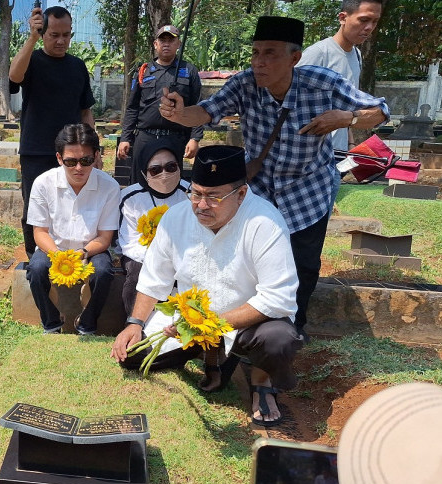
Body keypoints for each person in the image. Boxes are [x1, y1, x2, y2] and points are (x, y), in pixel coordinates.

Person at [159, 16, 390, 340]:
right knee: (250, 258)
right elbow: (207, 111)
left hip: (309, 189)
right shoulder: (243, 85)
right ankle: (246, 327)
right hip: (262, 188)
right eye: (255, 53)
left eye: (270, 53)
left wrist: (346, 117)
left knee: (303, 264)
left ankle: (292, 328)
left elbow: (380, 110)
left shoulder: (323, 83)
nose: (259, 62)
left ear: (294, 58)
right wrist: (179, 113)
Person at [111, 145, 302, 426]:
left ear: (241, 194)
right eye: (196, 193)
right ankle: (212, 354)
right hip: (190, 318)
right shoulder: (176, 217)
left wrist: (211, 324)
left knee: (278, 340)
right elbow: (154, 277)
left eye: (213, 197)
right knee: (133, 357)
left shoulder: (265, 223)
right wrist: (134, 323)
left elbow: (278, 298)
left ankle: (262, 380)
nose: (201, 205)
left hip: (248, 322)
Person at [9, 5, 96, 258]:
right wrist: (31, 38)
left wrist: (94, 149)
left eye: (66, 35)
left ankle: (69, 257)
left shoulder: (78, 66)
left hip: (73, 152)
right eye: (54, 35)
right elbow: (14, 77)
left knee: (71, 205)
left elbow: (85, 111)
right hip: (35, 149)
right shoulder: (32, 60)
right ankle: (34, 259)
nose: (61, 41)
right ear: (43, 33)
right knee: (34, 208)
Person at [26, 123, 119, 335]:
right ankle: (51, 322)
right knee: (36, 270)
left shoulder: (109, 186)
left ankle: (87, 323)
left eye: (86, 160)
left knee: (104, 272)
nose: (79, 168)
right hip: (53, 248)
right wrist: (59, 257)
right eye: (70, 161)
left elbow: (105, 238)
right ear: (59, 158)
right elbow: (40, 232)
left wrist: (83, 253)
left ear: (96, 156)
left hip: (91, 248)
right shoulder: (43, 183)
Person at [117, 25, 203, 184]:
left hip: (175, 138)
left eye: (171, 40)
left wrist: (195, 138)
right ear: (155, 44)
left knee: (170, 185)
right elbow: (132, 108)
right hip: (145, 137)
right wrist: (125, 138)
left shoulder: (189, 71)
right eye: (162, 40)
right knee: (139, 184)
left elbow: (197, 105)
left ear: (178, 44)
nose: (166, 44)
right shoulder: (144, 71)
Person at [297, 0, 383, 152]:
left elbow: (346, 106)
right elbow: (289, 101)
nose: (369, 28)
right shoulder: (319, 53)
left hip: (339, 153)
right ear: (343, 18)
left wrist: (350, 144)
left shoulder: (356, 55)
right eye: (363, 20)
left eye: (374, 22)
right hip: (313, 156)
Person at [117, 137, 189, 316]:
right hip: (140, 255)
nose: (164, 174)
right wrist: (158, 259)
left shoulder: (191, 194)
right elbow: (130, 243)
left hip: (183, 254)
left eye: (171, 167)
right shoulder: (130, 197)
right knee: (137, 275)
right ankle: (136, 326)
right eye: (155, 170)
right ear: (143, 173)